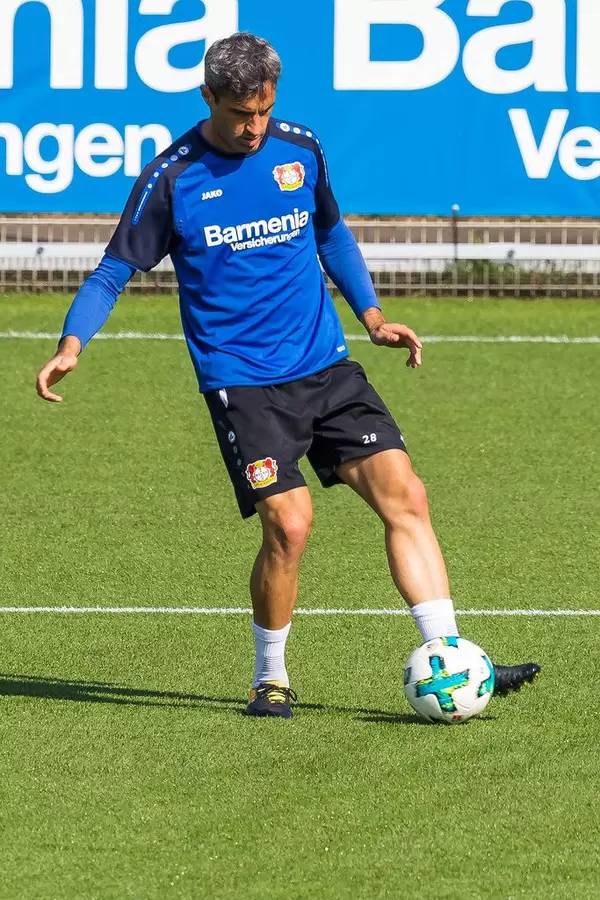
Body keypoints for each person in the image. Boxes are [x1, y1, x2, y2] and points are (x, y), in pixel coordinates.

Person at [36, 32, 540, 718]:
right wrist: (73, 343)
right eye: (242, 114)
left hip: (326, 365)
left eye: (265, 111)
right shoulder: (173, 177)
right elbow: (114, 269)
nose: (255, 128)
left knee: (407, 495)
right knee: (291, 525)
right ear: (209, 97)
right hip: (242, 383)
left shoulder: (299, 149)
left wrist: (372, 315)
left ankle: (449, 655)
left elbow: (331, 233)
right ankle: (269, 676)